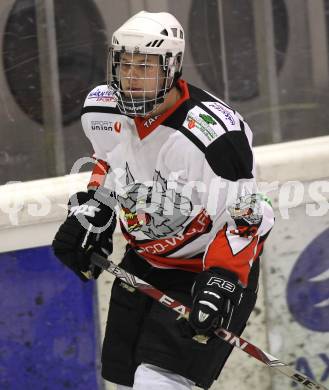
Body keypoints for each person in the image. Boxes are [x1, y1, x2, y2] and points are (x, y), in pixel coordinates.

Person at [52, 10, 275, 390]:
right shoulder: (102, 110)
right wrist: (97, 209)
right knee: (123, 383)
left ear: (172, 68)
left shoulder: (214, 135)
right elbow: (110, 163)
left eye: (146, 66)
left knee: (158, 384)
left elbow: (246, 215)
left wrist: (222, 279)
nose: (133, 77)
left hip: (203, 269)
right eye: (126, 65)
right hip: (142, 262)